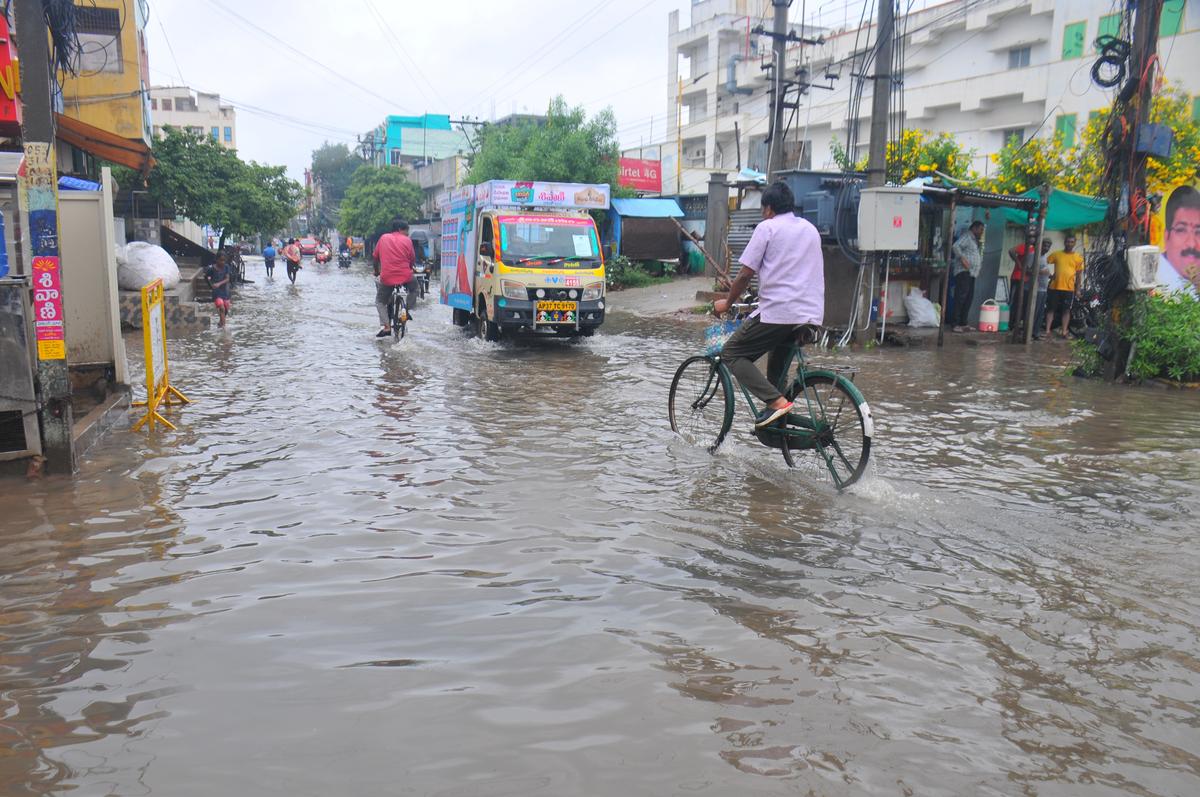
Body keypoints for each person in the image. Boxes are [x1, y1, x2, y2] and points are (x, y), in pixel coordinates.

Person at [712, 181, 824, 429]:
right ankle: (778, 424)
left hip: (780, 312)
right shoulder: (810, 229)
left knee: (732, 353)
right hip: (811, 315)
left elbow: (744, 274)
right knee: (777, 359)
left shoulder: (768, 228)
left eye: (763, 210)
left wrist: (728, 302)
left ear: (769, 209)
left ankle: (776, 402)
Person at [372, 218, 419, 338]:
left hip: (387, 277)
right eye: (406, 230)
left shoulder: (383, 238)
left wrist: (377, 272)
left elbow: (375, 257)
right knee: (414, 289)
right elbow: (412, 259)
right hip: (406, 276)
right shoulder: (407, 240)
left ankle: (386, 326)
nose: (407, 233)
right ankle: (406, 310)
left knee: (380, 301)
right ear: (400, 229)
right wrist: (409, 268)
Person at [1159, 185, 1200, 295]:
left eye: (1198, 232)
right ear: (1166, 237)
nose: (1191, 243)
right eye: (1181, 230)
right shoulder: (1154, 283)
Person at [1045, 233, 1084, 338]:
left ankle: (1064, 331)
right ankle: (1047, 330)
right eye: (1068, 242)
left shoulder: (1078, 258)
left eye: (1072, 242)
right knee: (1051, 309)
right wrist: (1049, 275)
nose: (1069, 244)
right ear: (1064, 242)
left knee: (1066, 310)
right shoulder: (1056, 254)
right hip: (1054, 287)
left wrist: (1078, 290)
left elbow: (1079, 275)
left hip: (1069, 288)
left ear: (1074, 243)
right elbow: (1043, 262)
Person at [950, 221, 984, 332]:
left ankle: (963, 323)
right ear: (974, 228)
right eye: (980, 229)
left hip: (971, 273)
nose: (981, 232)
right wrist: (962, 258)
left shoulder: (974, 240)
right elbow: (955, 246)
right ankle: (955, 324)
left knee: (968, 298)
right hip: (964, 272)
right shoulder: (967, 236)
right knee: (960, 298)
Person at [1031, 237, 1054, 340]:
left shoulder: (1044, 257)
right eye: (1044, 245)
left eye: (1048, 246)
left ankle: (1036, 333)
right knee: (1034, 313)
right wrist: (1040, 272)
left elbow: (1044, 271)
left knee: (1040, 313)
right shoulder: (1033, 256)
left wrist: (1050, 276)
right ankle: (1030, 333)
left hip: (1043, 289)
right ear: (1040, 245)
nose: (1046, 247)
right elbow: (1026, 270)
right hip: (1035, 289)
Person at [206, 253, 232, 328]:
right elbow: (206, 277)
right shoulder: (212, 269)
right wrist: (211, 286)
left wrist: (219, 284)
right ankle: (223, 329)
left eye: (224, 260)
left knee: (226, 309)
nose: (222, 262)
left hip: (225, 292)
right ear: (217, 260)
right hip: (217, 292)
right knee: (222, 308)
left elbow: (227, 279)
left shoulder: (226, 267)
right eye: (221, 260)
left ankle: (220, 323)